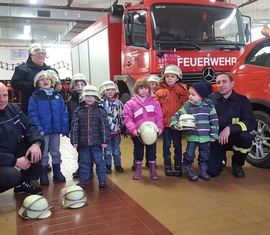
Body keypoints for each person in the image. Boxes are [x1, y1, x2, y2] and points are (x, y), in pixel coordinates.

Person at [206, 73, 256, 178]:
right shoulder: (210, 100)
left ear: (232, 84)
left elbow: (250, 122)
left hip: (235, 137)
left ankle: (237, 164)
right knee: (212, 171)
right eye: (218, 82)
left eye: (224, 81)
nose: (220, 85)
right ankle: (221, 160)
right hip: (216, 139)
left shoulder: (242, 101)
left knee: (246, 138)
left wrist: (230, 128)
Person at [0, 82, 43, 195]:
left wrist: (36, 144)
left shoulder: (13, 109)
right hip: (2, 159)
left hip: (12, 151)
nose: (2, 100)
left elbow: (30, 126)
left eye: (5, 95)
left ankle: (22, 184)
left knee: (36, 142)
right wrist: (15, 161)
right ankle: (18, 180)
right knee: (12, 175)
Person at [171, 82, 219, 181]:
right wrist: (174, 123)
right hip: (192, 136)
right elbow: (177, 114)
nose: (190, 96)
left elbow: (214, 121)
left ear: (201, 96)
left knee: (204, 155)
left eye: (193, 94)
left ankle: (203, 169)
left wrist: (214, 135)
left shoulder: (209, 106)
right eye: (190, 94)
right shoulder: (187, 106)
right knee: (189, 154)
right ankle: (187, 167)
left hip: (205, 137)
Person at [28, 71, 69, 185]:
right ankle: (43, 174)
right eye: (42, 79)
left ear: (52, 82)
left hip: (55, 130)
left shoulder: (58, 97)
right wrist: (39, 129)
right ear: (37, 83)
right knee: (44, 153)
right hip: (43, 131)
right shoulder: (35, 98)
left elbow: (64, 112)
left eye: (47, 79)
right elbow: (33, 115)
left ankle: (57, 172)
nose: (45, 81)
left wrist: (65, 127)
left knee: (55, 151)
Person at [123, 78, 163, 180]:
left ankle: (153, 171)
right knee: (138, 151)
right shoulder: (130, 104)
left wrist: (160, 127)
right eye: (141, 88)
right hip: (138, 134)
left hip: (152, 133)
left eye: (146, 88)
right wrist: (133, 130)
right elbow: (127, 118)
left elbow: (159, 116)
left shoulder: (155, 103)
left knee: (152, 152)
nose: (144, 90)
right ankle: (138, 170)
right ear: (136, 90)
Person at [70, 85, 109, 188]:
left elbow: (104, 127)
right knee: (84, 163)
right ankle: (83, 180)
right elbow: (74, 127)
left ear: (96, 98)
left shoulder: (101, 110)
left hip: (97, 144)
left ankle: (102, 180)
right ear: (83, 97)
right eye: (87, 96)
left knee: (100, 162)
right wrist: (74, 140)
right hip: (83, 144)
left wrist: (104, 141)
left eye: (92, 96)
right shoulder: (78, 111)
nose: (90, 98)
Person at [154, 64, 189, 177]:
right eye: (167, 76)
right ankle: (167, 165)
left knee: (178, 145)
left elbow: (187, 105)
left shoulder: (183, 90)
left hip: (177, 124)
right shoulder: (160, 92)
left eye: (172, 76)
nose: (169, 78)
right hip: (165, 124)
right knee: (166, 144)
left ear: (177, 78)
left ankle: (178, 164)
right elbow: (156, 107)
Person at [11, 43, 62, 115]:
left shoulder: (51, 71)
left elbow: (58, 86)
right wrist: (35, 85)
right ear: (31, 55)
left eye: (42, 53)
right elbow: (15, 84)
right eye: (37, 52)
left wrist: (60, 88)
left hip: (50, 109)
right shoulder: (22, 69)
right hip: (30, 108)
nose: (41, 55)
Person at [66, 73, 94, 179]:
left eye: (82, 84)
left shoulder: (89, 99)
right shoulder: (71, 101)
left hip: (89, 129)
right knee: (80, 151)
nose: (80, 87)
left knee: (90, 151)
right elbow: (68, 115)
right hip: (78, 131)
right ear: (73, 86)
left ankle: (90, 169)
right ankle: (82, 168)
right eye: (77, 85)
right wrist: (69, 129)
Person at [100, 80, 125, 174]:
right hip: (106, 133)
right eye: (107, 90)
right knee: (107, 150)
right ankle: (108, 166)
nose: (110, 92)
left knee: (116, 149)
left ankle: (118, 165)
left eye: (112, 90)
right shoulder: (101, 104)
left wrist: (123, 126)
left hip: (116, 132)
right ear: (103, 91)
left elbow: (122, 115)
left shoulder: (119, 103)